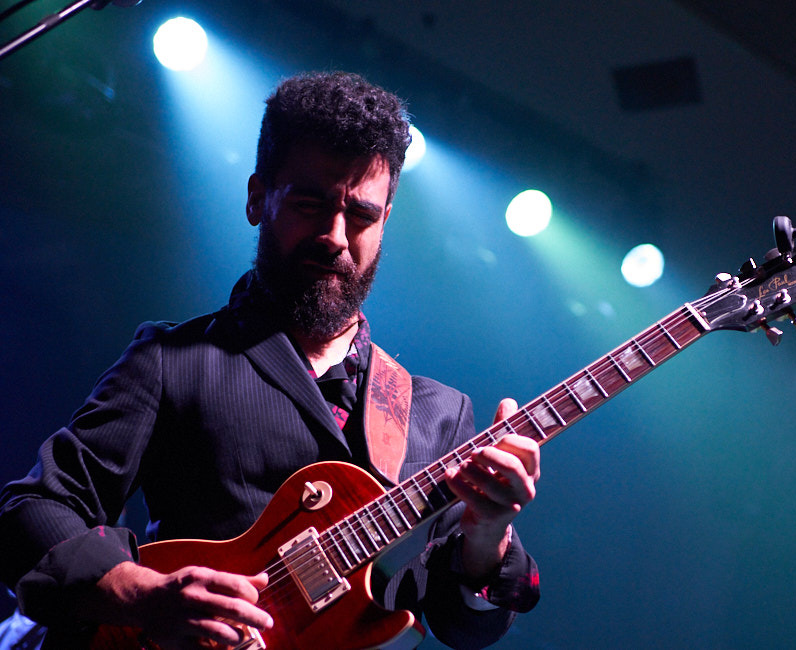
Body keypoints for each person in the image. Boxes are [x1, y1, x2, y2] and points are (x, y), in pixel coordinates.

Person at [0, 71, 540, 649]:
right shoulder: (174, 360)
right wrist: (144, 596)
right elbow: (31, 511)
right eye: (310, 204)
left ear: (385, 222)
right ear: (258, 198)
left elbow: (462, 626)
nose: (335, 235)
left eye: (360, 214)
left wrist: (489, 537)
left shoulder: (439, 413)